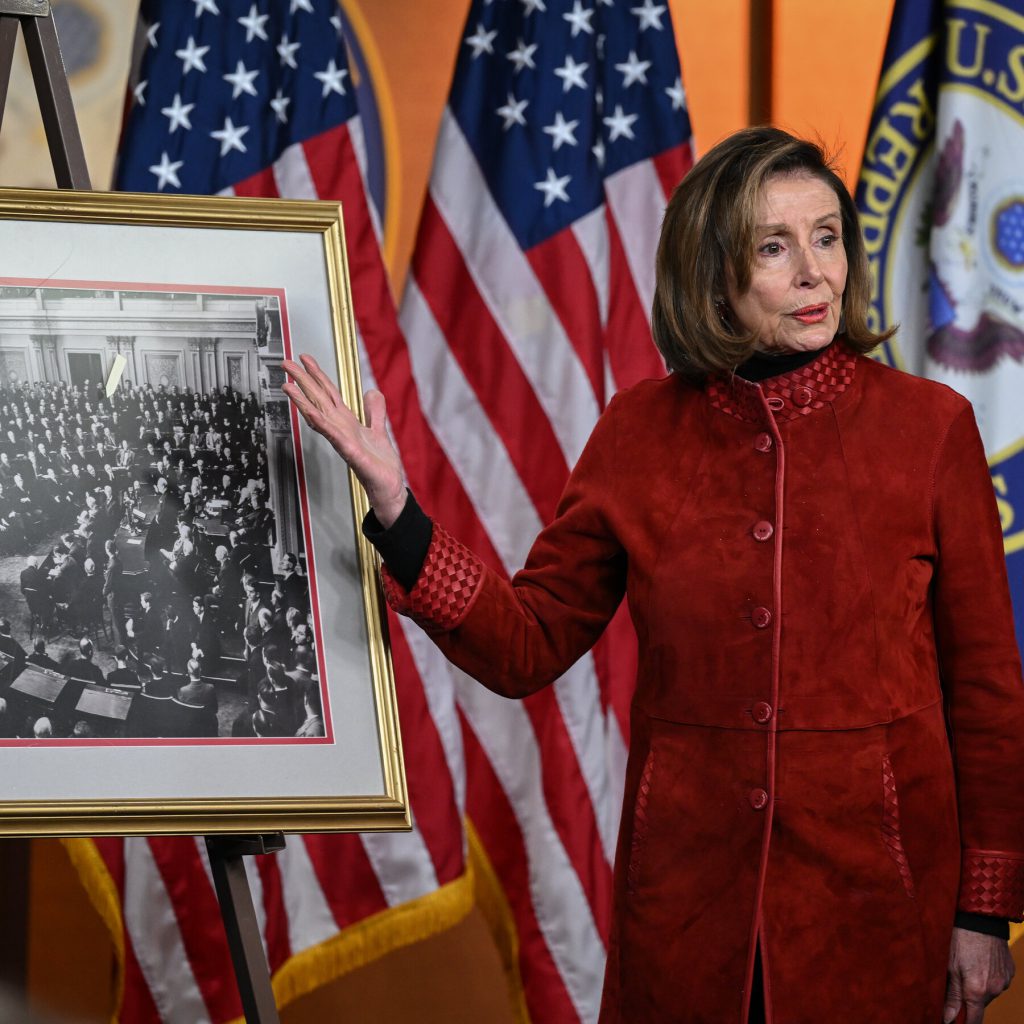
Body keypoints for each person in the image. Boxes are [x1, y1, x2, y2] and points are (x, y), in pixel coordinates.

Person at [282, 127, 1024, 1023]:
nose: (814, 273)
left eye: (827, 237)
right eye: (774, 247)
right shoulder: (638, 432)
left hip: (878, 904)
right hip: (685, 907)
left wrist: (985, 910)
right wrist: (399, 511)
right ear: (713, 272)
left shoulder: (931, 428)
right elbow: (526, 644)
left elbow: (986, 690)